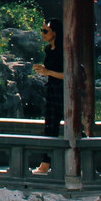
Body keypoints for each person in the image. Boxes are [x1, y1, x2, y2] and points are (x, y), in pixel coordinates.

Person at [32, 18, 65, 173]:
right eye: (42, 30)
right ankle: (45, 164)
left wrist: (48, 72)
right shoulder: (48, 50)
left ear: (55, 33)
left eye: (46, 31)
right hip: (52, 89)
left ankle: (82, 160)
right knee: (50, 127)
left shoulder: (64, 50)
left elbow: (69, 74)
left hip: (64, 91)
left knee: (74, 126)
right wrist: (44, 70)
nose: (43, 33)